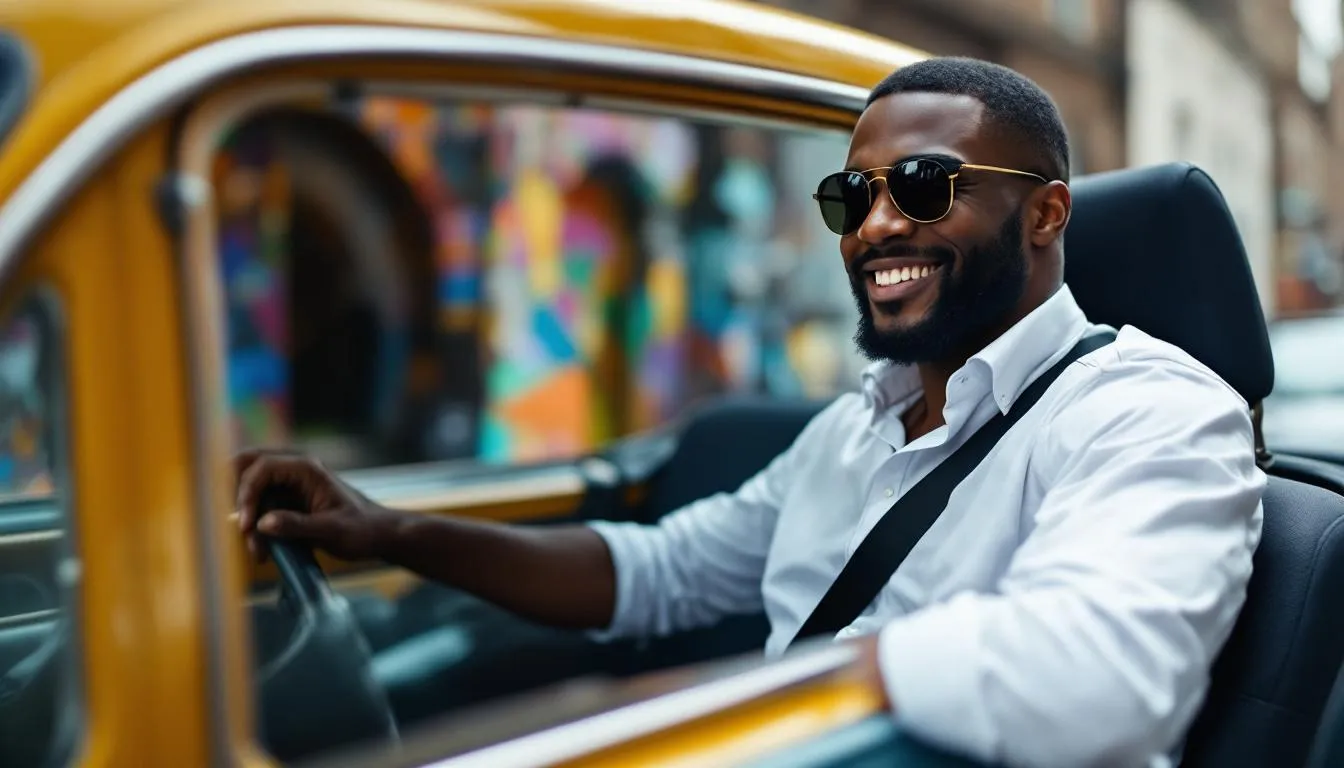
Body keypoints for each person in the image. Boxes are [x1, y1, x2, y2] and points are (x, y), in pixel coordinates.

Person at [234, 58, 1265, 768]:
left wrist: (730, 704)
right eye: (851, 196)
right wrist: (386, 531)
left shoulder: (1152, 412)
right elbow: (657, 573)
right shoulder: (852, 430)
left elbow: (1097, 684)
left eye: (923, 186)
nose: (875, 226)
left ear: (1045, 212)